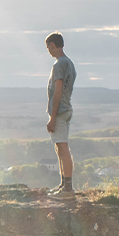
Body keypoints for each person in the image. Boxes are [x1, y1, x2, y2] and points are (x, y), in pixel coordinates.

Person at [45, 32, 77, 196]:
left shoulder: (59, 65)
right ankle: (64, 184)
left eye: (48, 47)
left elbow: (58, 91)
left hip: (60, 111)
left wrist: (52, 117)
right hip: (66, 108)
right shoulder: (69, 63)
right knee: (60, 147)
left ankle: (68, 188)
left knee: (63, 148)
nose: (48, 51)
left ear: (52, 45)